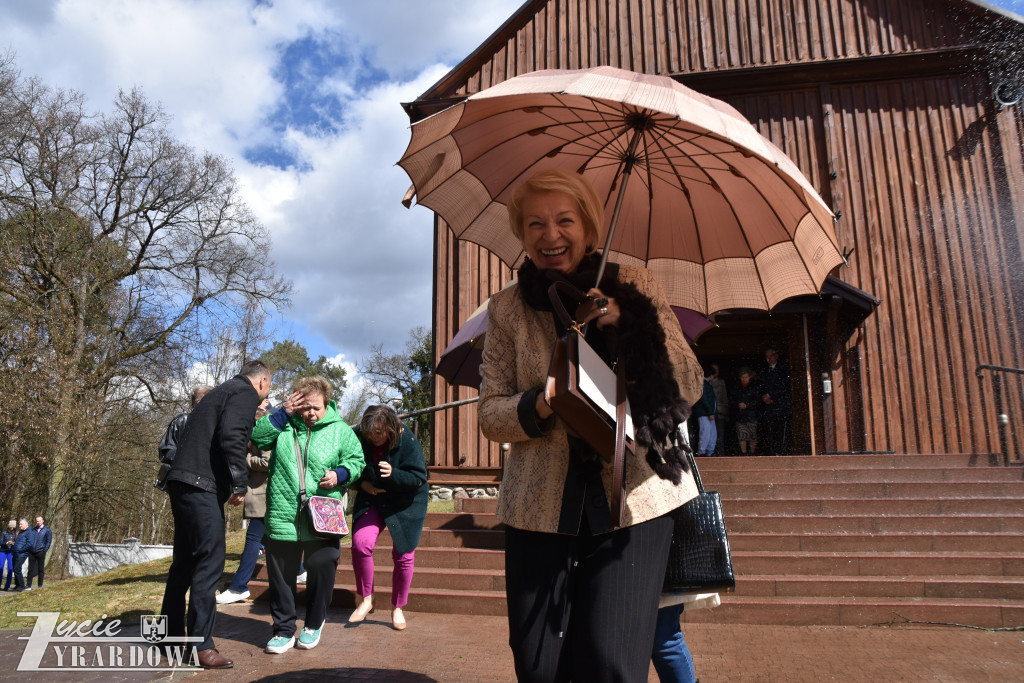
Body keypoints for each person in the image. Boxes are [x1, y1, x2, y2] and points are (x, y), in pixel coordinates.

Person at [478, 168, 704, 681]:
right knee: (538, 667)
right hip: (539, 504)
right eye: (534, 223)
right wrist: (538, 405)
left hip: (634, 500)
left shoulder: (634, 283)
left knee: (612, 664)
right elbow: (490, 412)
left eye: (564, 220)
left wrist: (630, 326)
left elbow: (689, 385)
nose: (550, 235)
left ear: (588, 227)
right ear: (521, 233)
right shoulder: (508, 308)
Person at [160, 360, 271, 670]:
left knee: (185, 561)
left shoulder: (218, 392)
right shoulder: (245, 392)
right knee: (211, 559)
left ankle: (168, 633)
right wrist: (238, 480)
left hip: (182, 481)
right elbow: (232, 434)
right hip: (200, 484)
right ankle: (201, 646)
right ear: (261, 382)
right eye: (268, 388)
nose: (265, 395)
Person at [252, 375, 364, 655]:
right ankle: (283, 630)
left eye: (316, 407)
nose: (310, 413)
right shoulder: (283, 425)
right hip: (283, 513)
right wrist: (283, 414)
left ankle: (314, 623)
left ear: (328, 403)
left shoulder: (341, 431)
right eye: (305, 408)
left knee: (322, 569)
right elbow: (257, 438)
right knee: (281, 576)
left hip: (323, 515)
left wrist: (340, 474)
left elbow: (357, 461)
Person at [348, 405, 429, 631]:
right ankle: (366, 598)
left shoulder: (408, 440)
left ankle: (398, 607)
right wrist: (360, 484)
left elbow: (419, 478)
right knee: (360, 544)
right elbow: (347, 466)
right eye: (370, 431)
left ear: (392, 428)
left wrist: (394, 474)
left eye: (381, 431)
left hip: (405, 501)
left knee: (403, 553)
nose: (375, 436)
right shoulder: (357, 435)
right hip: (373, 497)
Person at [217, 405, 272, 605]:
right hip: (259, 493)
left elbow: (268, 462)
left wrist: (247, 458)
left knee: (253, 539)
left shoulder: (264, 434)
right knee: (269, 540)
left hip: (263, 495)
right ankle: (300, 571)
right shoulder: (257, 434)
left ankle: (239, 586)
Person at [156, 385, 213, 492]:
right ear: (194, 403)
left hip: (210, 484)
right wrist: (185, 459)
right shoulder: (181, 421)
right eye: (203, 399)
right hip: (184, 482)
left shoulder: (219, 425)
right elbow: (165, 450)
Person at [761, 348, 791, 455]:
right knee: (771, 431)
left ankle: (782, 452)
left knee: (781, 431)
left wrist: (771, 396)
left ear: (776, 356)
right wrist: (764, 397)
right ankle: (773, 453)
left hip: (781, 406)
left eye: (771, 356)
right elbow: (762, 387)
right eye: (767, 357)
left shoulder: (783, 369)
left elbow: (783, 386)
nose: (769, 359)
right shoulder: (765, 372)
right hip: (769, 408)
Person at [734, 367, 764, 455]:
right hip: (740, 415)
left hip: (752, 414)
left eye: (746, 377)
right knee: (742, 436)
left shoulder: (754, 386)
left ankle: (752, 453)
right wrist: (738, 405)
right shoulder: (736, 386)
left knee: (752, 436)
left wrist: (747, 405)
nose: (744, 379)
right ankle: (744, 454)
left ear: (749, 377)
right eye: (742, 377)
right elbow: (732, 399)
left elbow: (758, 400)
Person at [691, 368, 717, 456]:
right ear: (712, 375)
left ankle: (709, 451)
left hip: (707, 413)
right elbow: (704, 399)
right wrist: (710, 412)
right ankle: (701, 452)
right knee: (705, 433)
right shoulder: (703, 384)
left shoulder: (706, 384)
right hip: (704, 413)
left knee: (711, 433)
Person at [709, 363, 729, 456]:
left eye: (717, 370)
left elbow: (724, 397)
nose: (715, 372)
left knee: (720, 437)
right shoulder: (707, 382)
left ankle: (721, 456)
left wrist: (726, 412)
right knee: (710, 437)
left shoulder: (721, 382)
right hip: (709, 413)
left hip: (720, 412)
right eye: (714, 370)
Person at [26, 516, 51, 588]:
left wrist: (44, 550)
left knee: (40, 569)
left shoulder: (47, 530)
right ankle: (28, 585)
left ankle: (40, 585)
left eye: (39, 521)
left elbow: (48, 541)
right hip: (32, 551)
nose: (38, 522)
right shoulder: (33, 530)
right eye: (37, 521)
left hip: (41, 551)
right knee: (30, 569)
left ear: (43, 521)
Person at [12, 518, 35, 592]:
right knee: (15, 568)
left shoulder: (30, 532)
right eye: (19, 524)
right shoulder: (21, 532)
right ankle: (17, 584)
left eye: (21, 524)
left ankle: (21, 585)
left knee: (17, 568)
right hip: (16, 552)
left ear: (26, 524)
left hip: (22, 553)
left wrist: (21, 550)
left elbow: (29, 544)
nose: (20, 525)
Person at [1, 520, 16, 590]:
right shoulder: (4, 532)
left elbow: (17, 541)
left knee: (10, 568)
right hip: (3, 551)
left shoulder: (16, 533)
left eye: (13, 527)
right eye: (11, 527)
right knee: (1, 567)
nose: (12, 528)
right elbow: (1, 542)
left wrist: (14, 543)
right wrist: (7, 542)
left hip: (11, 551)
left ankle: (7, 585)